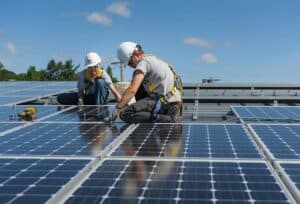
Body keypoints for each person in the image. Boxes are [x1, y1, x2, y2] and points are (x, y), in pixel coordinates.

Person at [113, 41, 183, 123]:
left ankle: (168, 119)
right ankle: (162, 117)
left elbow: (132, 90)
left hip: (164, 104)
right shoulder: (152, 59)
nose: (131, 66)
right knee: (140, 87)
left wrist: (117, 109)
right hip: (172, 104)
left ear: (136, 54)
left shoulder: (143, 63)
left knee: (125, 114)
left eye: (130, 63)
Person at [57, 52, 121, 105]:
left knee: (100, 81)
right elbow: (81, 91)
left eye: (95, 67)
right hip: (89, 97)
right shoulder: (83, 74)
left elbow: (114, 91)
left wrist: (121, 102)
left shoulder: (103, 74)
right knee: (61, 98)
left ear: (99, 65)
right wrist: (80, 100)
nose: (93, 70)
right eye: (90, 67)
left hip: (101, 98)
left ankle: (98, 107)